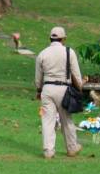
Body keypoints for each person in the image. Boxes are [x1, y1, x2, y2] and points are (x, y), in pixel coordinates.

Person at [35, 27, 83, 159]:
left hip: (47, 89)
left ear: (50, 38)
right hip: (63, 89)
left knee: (47, 121)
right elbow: (76, 74)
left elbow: (38, 78)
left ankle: (48, 150)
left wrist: (39, 90)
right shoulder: (69, 52)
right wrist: (80, 88)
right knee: (66, 119)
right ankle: (72, 147)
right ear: (63, 39)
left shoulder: (42, 54)